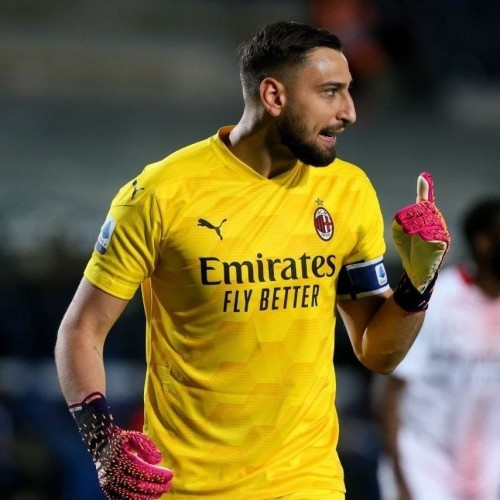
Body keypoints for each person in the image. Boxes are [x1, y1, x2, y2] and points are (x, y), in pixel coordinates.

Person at [54, 20, 450, 499]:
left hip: (306, 481)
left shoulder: (348, 191)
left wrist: (419, 278)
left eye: (349, 91)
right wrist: (103, 442)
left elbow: (378, 352)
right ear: (274, 96)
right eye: (330, 92)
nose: (349, 111)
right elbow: (82, 329)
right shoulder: (160, 195)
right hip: (187, 486)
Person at [379, 198, 500, 500]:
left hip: (486, 474)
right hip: (425, 469)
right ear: (484, 243)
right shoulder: (439, 300)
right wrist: (401, 481)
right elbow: (391, 393)